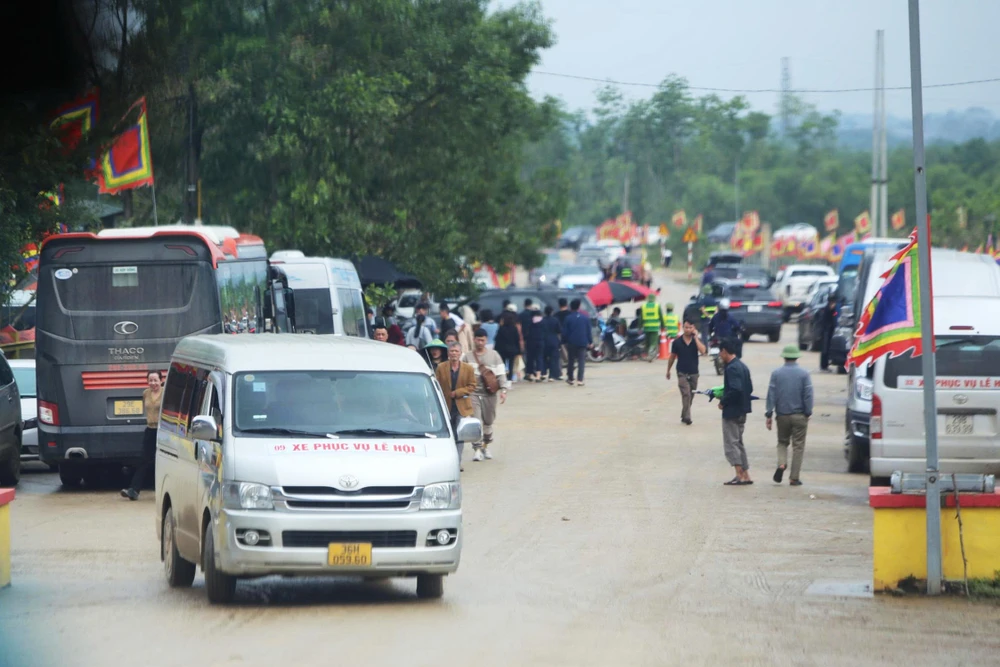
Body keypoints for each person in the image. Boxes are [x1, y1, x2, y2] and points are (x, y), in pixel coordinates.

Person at [766, 345, 814, 486]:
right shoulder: (804, 374)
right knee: (798, 446)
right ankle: (794, 477)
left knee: (782, 442)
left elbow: (771, 395)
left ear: (784, 357)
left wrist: (769, 414)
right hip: (800, 415)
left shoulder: (776, 374)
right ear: (797, 357)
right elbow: (808, 395)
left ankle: (781, 463)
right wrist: (808, 411)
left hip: (782, 415)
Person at [462, 329, 509, 461]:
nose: (480, 342)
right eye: (478, 340)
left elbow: (501, 373)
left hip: (490, 393)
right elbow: (462, 374)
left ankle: (485, 446)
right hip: (473, 393)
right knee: (476, 421)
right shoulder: (467, 356)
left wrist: (503, 390)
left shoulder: (494, 355)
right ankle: (476, 449)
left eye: (482, 340)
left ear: (486, 340)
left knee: (488, 422)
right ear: (474, 340)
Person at [121, 370, 163, 500]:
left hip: (162, 431)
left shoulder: (166, 393)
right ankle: (133, 490)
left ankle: (164, 491)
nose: (153, 383)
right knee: (144, 460)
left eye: (155, 380)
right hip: (150, 430)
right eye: (150, 380)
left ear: (161, 380)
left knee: (162, 461)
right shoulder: (145, 393)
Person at [436, 342, 477, 470]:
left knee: (460, 435)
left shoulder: (468, 368)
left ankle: (457, 463)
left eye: (456, 351)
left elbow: (472, 386)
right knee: (448, 435)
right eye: (452, 351)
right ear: (448, 353)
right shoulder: (441, 367)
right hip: (446, 407)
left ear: (460, 353)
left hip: (461, 407)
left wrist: (458, 392)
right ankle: (447, 461)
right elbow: (437, 385)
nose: (454, 353)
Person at [718, 339, 754, 485]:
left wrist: (723, 401)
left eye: (720, 353)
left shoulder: (731, 368)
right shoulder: (743, 366)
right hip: (742, 410)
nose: (720, 356)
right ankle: (746, 475)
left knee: (731, 443)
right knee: (739, 442)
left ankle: (739, 474)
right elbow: (749, 388)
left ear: (724, 351)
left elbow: (736, 389)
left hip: (732, 411)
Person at [666, 319, 706, 425]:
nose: (688, 329)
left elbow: (703, 351)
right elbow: (672, 357)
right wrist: (668, 370)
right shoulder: (677, 342)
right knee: (686, 394)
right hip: (682, 372)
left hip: (694, 372)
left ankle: (684, 415)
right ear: (683, 328)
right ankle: (687, 417)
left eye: (690, 327)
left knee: (691, 395)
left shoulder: (696, 341)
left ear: (694, 328)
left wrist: (696, 338)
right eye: (686, 327)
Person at [561, 298, 592, 386]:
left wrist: (563, 341)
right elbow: (588, 331)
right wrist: (590, 341)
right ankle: (580, 380)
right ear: (579, 307)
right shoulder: (585, 318)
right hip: (582, 341)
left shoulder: (568, 318)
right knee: (581, 361)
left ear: (571, 307)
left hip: (571, 342)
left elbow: (565, 331)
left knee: (571, 360)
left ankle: (570, 378)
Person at [495, 307, 522, 380]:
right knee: (511, 364)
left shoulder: (501, 328)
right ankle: (510, 377)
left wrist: (496, 349)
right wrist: (519, 351)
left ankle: (503, 376)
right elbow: (517, 339)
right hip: (512, 349)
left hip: (502, 349)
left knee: (503, 363)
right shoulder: (514, 328)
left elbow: (497, 339)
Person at [817, 295, 839, 372]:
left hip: (830, 331)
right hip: (826, 331)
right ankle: (823, 366)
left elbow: (834, 316)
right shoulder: (827, 309)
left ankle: (826, 365)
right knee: (825, 349)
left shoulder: (832, 309)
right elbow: (825, 321)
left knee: (827, 349)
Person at [641, 293, 667, 358]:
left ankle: (647, 354)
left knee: (647, 342)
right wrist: (663, 326)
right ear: (654, 299)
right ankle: (650, 354)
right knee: (653, 342)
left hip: (646, 327)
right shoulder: (657, 306)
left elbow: (640, 318)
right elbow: (661, 317)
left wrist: (639, 327)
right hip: (654, 328)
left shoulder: (643, 306)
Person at [542, 305, 563, 382]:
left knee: (544, 357)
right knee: (554, 358)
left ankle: (543, 373)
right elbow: (559, 331)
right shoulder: (555, 320)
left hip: (544, 341)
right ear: (552, 312)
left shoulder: (542, 320)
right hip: (554, 341)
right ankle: (552, 375)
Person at [525, 304, 545, 382]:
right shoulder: (543, 321)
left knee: (530, 358)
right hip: (540, 341)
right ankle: (538, 376)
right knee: (539, 358)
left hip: (530, 341)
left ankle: (530, 374)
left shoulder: (529, 320)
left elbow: (526, 331)